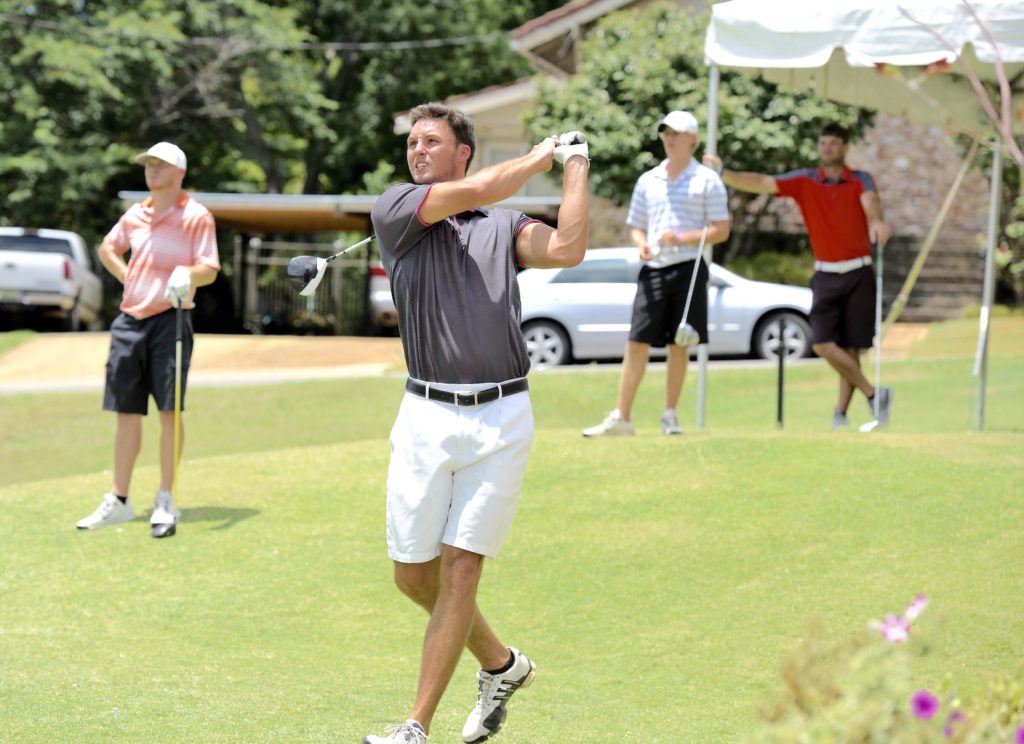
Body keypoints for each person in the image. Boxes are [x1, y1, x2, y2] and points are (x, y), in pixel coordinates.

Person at [363, 103, 590, 744]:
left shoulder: (502, 226)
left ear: (462, 150)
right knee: (414, 575)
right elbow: (488, 184)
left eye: (432, 141)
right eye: (412, 142)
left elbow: (568, 248)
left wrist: (576, 165)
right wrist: (543, 152)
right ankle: (501, 663)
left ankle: (415, 725)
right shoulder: (398, 208)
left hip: (503, 416)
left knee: (461, 567)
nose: (418, 151)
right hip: (426, 415)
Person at [704, 122, 894, 429]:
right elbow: (763, 182)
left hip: (859, 270)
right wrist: (724, 173)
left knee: (850, 349)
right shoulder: (805, 180)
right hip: (826, 274)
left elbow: (870, 203)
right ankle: (874, 394)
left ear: (844, 147)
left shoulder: (860, 179)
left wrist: (877, 223)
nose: (827, 148)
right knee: (822, 343)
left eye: (833, 143)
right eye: (823, 143)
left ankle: (840, 416)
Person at [76, 142, 220, 533]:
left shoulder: (196, 215)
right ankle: (119, 499)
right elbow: (109, 248)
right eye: (148, 165)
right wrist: (131, 279)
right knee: (126, 410)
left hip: (170, 320)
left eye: (161, 165)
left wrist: (186, 275)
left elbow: (210, 267)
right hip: (130, 319)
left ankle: (166, 498)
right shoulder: (135, 214)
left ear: (179, 172)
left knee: (169, 411)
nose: (152, 171)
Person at [583, 110, 729, 438]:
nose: (670, 138)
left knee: (680, 341)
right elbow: (637, 227)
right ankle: (622, 416)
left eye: (676, 133)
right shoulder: (648, 179)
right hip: (653, 268)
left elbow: (721, 230)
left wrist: (681, 238)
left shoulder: (708, 180)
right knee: (637, 340)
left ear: (692, 138)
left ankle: (670, 416)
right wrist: (641, 245)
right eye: (665, 133)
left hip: (690, 268)